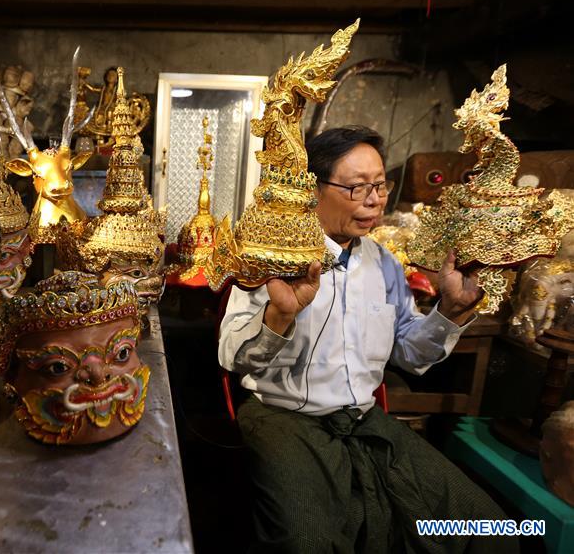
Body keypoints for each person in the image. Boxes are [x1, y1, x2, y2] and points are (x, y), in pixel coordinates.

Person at [218, 126, 518, 553]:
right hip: (283, 419)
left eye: (379, 185)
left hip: (364, 421)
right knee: (307, 542)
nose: (375, 199)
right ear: (313, 189)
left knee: (488, 529)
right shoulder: (270, 256)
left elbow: (410, 354)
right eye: (357, 188)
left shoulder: (384, 264)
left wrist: (449, 310)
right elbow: (234, 359)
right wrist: (280, 313)